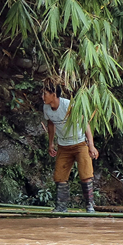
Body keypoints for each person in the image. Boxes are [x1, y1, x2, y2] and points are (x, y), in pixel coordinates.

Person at [42, 77, 99, 212]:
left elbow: (85, 123)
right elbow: (50, 124)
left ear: (53, 95)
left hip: (79, 143)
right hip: (63, 145)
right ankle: (61, 207)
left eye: (45, 93)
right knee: (60, 176)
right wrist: (51, 144)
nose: (42, 96)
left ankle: (90, 205)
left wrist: (91, 145)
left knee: (86, 174)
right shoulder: (46, 108)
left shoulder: (68, 105)